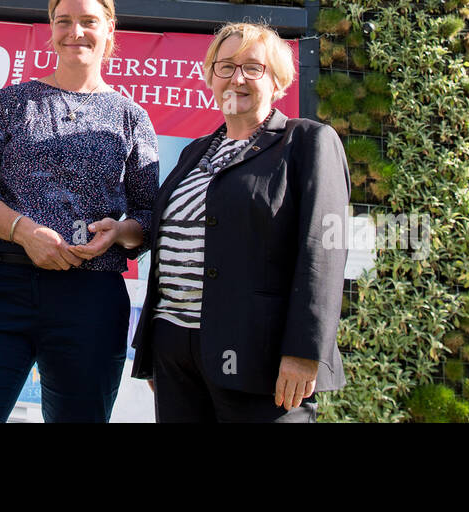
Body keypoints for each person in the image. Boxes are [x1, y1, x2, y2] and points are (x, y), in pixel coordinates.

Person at [0, 0, 159, 423]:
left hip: (91, 297)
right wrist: (25, 232)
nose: (76, 32)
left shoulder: (133, 117)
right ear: (50, 29)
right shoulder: (13, 101)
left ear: (111, 29)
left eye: (89, 21)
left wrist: (119, 232)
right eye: (64, 21)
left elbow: (149, 214)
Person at [130, 21, 350, 422]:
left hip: (257, 354)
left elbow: (325, 249)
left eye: (254, 67)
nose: (238, 78)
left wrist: (304, 350)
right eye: (226, 66)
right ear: (211, 77)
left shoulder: (307, 142)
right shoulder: (194, 152)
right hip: (175, 351)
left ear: (278, 79)